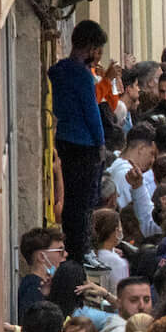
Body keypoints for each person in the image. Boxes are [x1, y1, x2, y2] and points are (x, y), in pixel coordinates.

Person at [48, 21, 107, 262]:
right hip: (84, 146)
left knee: (68, 197)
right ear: (92, 48)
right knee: (83, 202)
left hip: (62, 140)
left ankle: (72, 249)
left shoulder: (57, 69)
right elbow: (91, 113)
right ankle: (80, 251)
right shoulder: (83, 76)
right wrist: (101, 144)